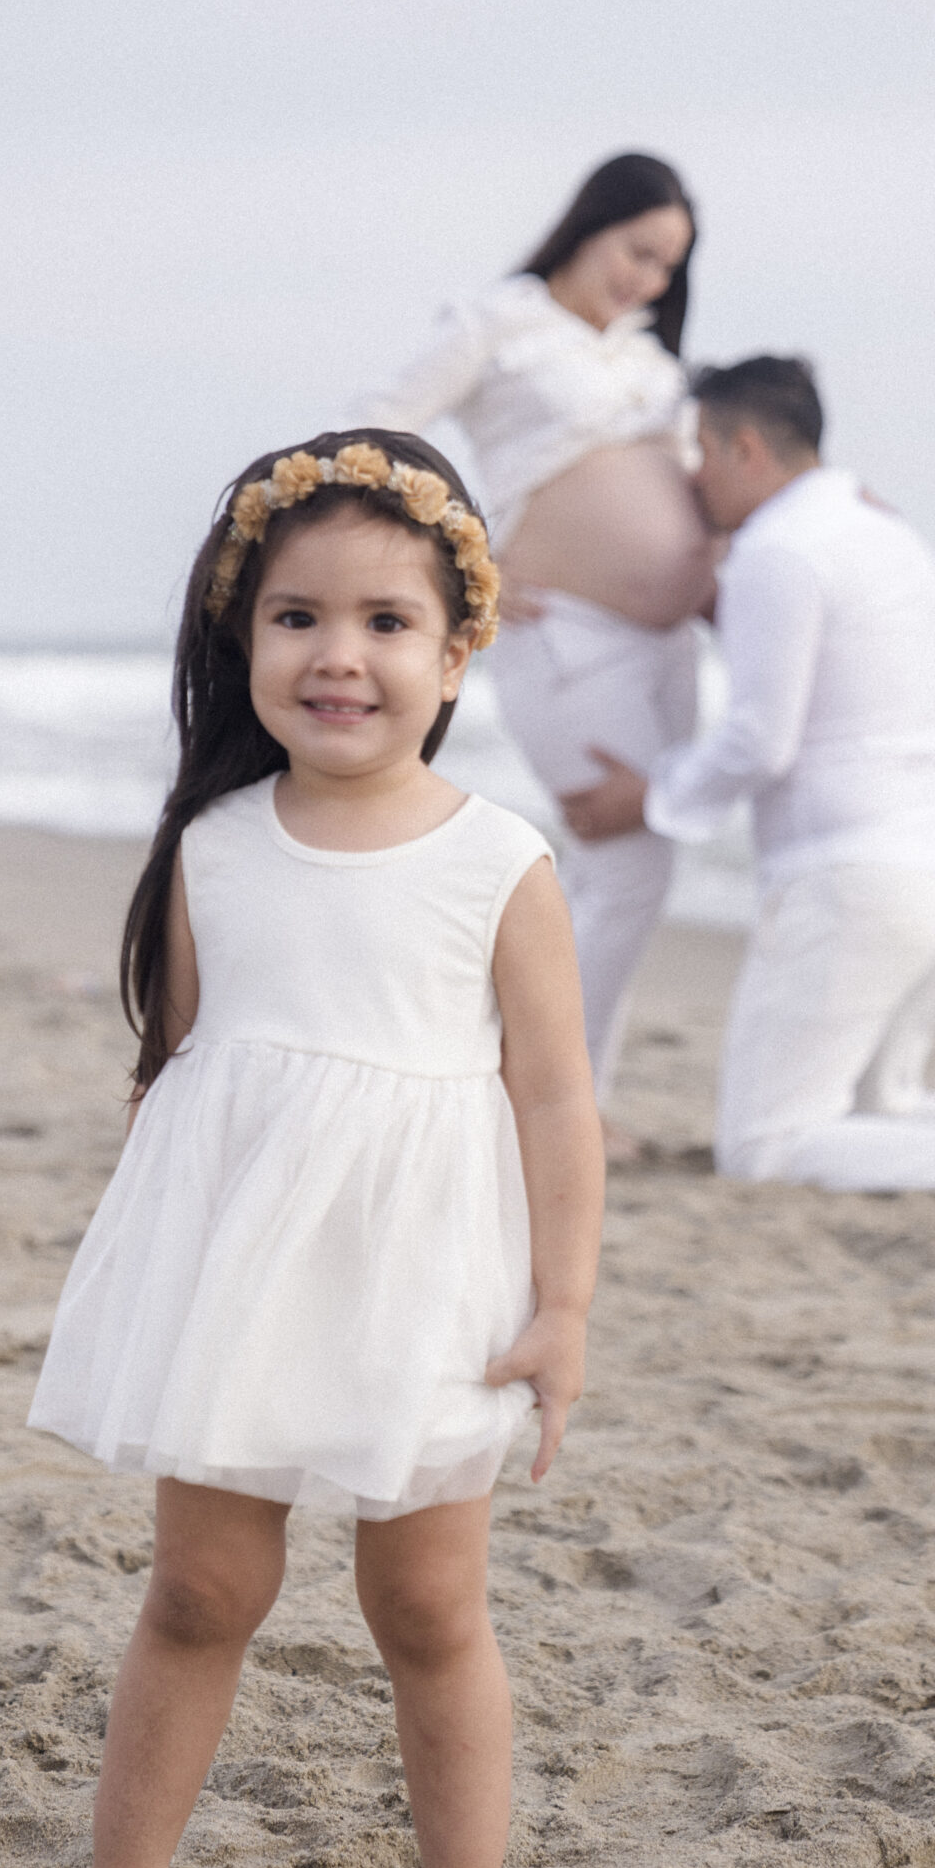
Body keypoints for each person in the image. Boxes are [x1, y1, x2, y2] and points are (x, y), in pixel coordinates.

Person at [21, 433, 603, 1868]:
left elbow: (555, 1102)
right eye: (297, 617)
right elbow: (184, 1076)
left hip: (427, 1284)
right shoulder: (213, 850)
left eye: (385, 622)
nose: (338, 655)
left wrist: (560, 1308)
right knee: (201, 1591)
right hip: (246, 1284)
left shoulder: (499, 864)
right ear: (242, 639)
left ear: (456, 655)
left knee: (427, 1608)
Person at [561, 357, 935, 1198]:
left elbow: (759, 741)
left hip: (845, 886)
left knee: (764, 1147)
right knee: (878, 1109)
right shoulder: (888, 536)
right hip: (932, 882)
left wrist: (650, 796)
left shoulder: (778, 552)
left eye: (702, 452)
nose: (693, 477)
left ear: (746, 448)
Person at [358, 152, 716, 1155]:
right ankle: (564, 1107)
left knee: (616, 875)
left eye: (667, 268)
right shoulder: (497, 323)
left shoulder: (652, 360)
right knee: (630, 866)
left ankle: (552, 1094)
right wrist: (460, 553)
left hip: (667, 646)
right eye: (637, 251)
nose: (647, 279)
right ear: (588, 226)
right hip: (563, 635)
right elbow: (377, 430)